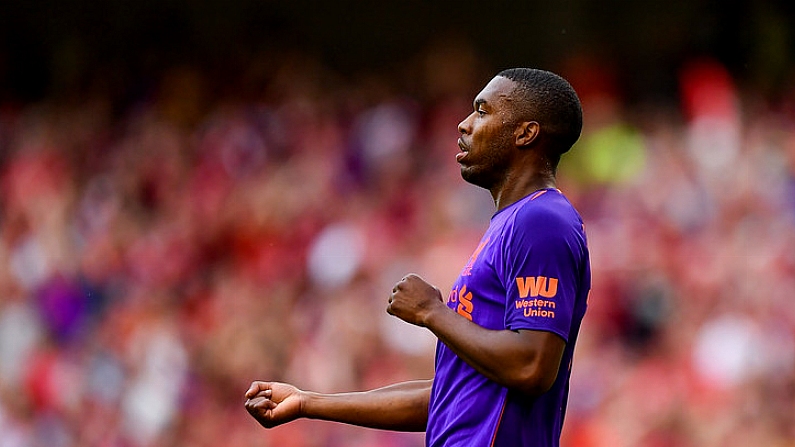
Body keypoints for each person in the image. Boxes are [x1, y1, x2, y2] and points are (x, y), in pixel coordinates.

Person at [245, 68, 591, 447]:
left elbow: (533, 365)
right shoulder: (511, 224)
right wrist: (308, 402)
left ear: (525, 133)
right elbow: (450, 396)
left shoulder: (542, 221)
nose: (463, 124)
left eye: (482, 111)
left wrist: (432, 312)